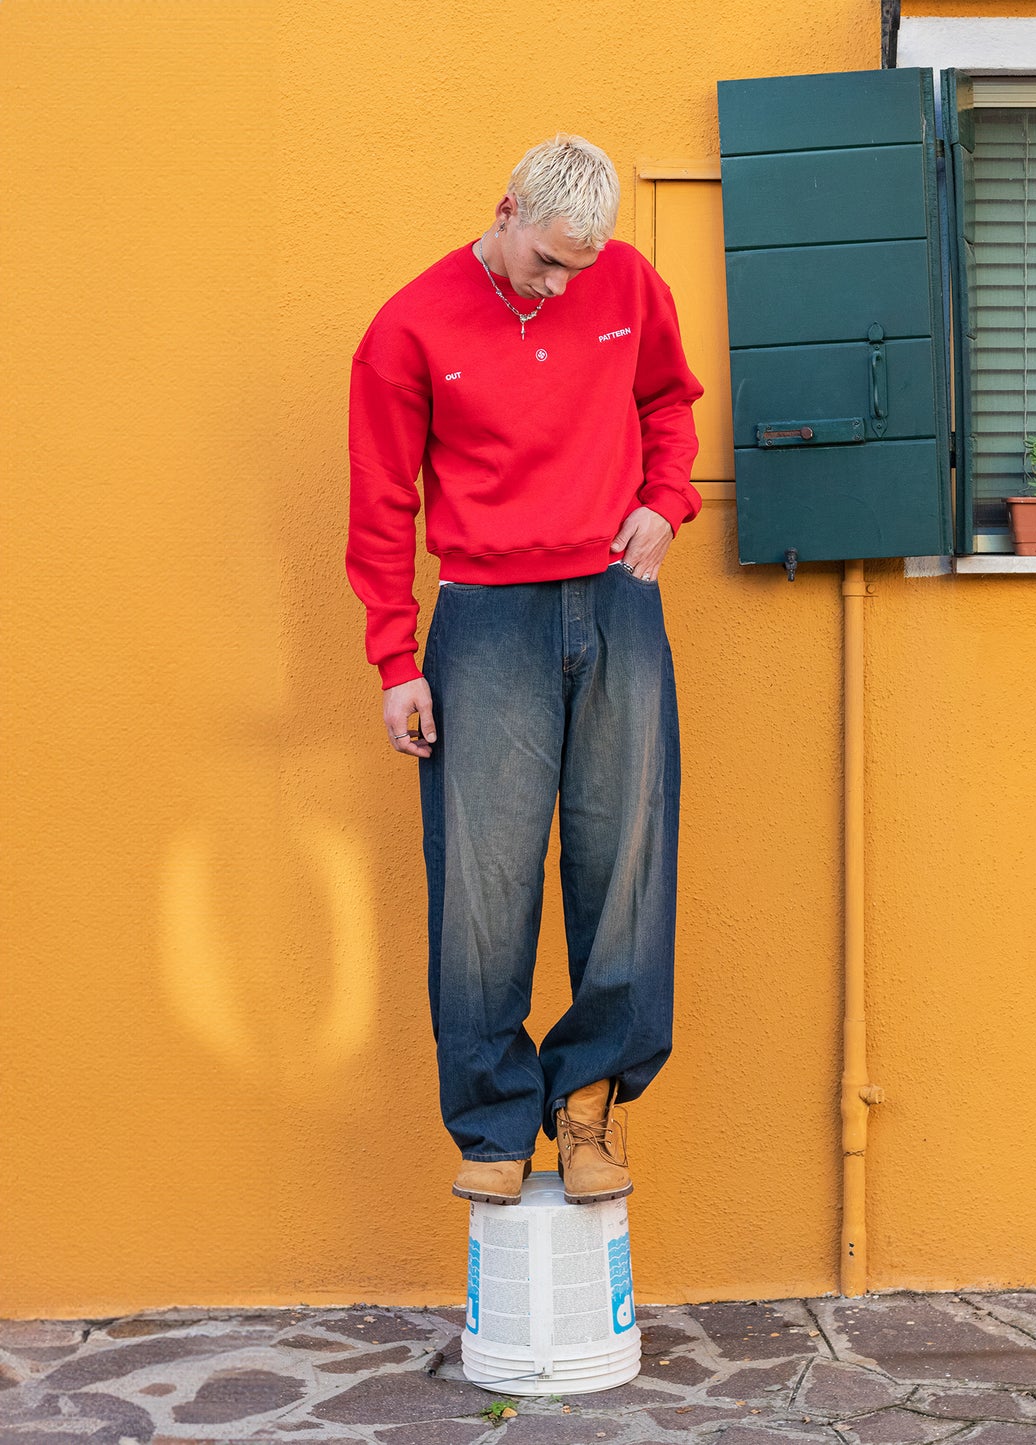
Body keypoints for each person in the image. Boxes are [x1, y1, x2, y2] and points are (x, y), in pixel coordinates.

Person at [346, 134, 703, 1207]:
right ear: (504, 211)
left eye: (580, 268)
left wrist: (664, 500)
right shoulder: (408, 326)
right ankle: (495, 1114)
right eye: (546, 261)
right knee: (482, 885)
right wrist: (394, 660)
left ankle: (588, 1104)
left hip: (615, 600)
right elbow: (379, 506)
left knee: (626, 861)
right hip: (485, 616)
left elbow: (668, 403)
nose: (562, 283)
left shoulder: (626, 282)